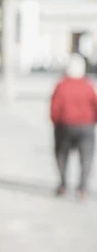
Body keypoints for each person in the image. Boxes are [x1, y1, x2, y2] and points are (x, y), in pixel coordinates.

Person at [50, 53, 97, 200]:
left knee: (61, 154)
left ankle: (63, 184)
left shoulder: (61, 85)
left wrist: (56, 122)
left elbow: (54, 107)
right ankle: (82, 188)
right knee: (86, 158)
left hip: (65, 125)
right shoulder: (88, 85)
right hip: (86, 126)